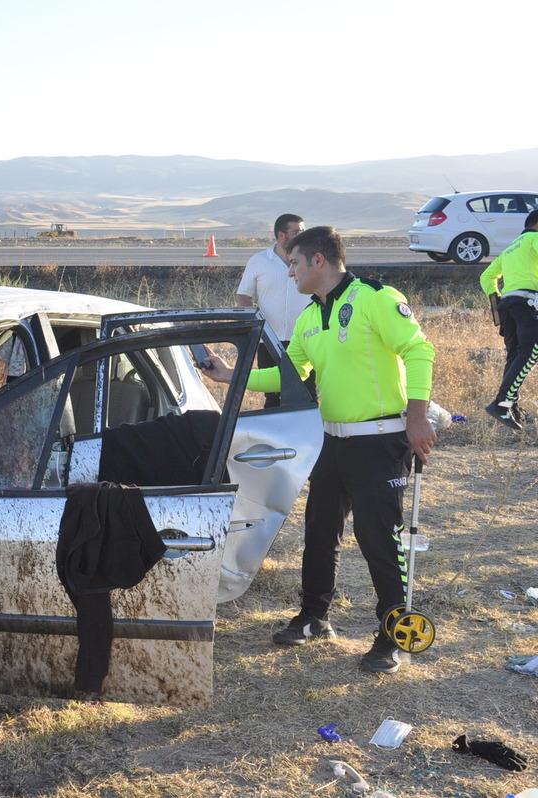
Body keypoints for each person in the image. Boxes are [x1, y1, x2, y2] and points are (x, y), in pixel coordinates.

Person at [200, 226, 436, 674]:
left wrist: (419, 417)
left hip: (379, 441)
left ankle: (393, 635)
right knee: (320, 531)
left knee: (378, 538)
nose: (289, 272)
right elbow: (288, 378)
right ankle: (313, 618)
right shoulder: (310, 317)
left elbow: (419, 350)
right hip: (330, 440)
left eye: (293, 263)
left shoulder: (375, 298)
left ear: (318, 261)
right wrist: (230, 375)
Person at [236, 213, 316, 407]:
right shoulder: (258, 261)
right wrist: (254, 327)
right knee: (272, 396)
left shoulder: (311, 261)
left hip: (306, 337)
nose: (303, 235)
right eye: (297, 232)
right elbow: (243, 296)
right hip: (269, 340)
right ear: (282, 236)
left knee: (307, 392)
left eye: (304, 231)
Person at [480, 209, 538, 430]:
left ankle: (511, 406)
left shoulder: (511, 247)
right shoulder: (535, 238)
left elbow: (486, 276)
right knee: (532, 351)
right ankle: (502, 403)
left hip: (509, 304)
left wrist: (497, 302)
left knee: (515, 355)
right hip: (527, 303)